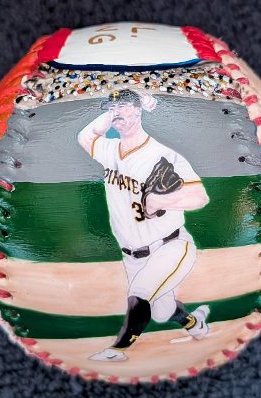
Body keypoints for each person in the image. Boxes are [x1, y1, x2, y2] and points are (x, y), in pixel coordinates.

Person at [77, 89, 210, 361]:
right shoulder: (109, 150)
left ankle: (117, 350)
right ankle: (195, 323)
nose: (116, 112)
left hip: (171, 246)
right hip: (132, 255)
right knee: (162, 311)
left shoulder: (162, 155)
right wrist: (114, 113)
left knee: (140, 294)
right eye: (112, 107)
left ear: (139, 111)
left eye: (124, 107)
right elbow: (85, 136)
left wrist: (161, 199)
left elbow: (200, 197)